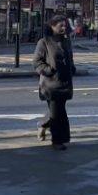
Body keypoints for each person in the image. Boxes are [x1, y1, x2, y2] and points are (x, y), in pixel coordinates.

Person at [33, 15, 76, 151]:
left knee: (58, 110)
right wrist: (49, 70)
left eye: (65, 25)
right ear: (52, 26)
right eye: (60, 26)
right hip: (50, 84)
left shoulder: (66, 41)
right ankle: (57, 140)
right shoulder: (44, 42)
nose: (63, 28)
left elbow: (70, 58)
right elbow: (37, 62)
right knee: (57, 113)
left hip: (64, 82)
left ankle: (43, 125)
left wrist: (72, 68)